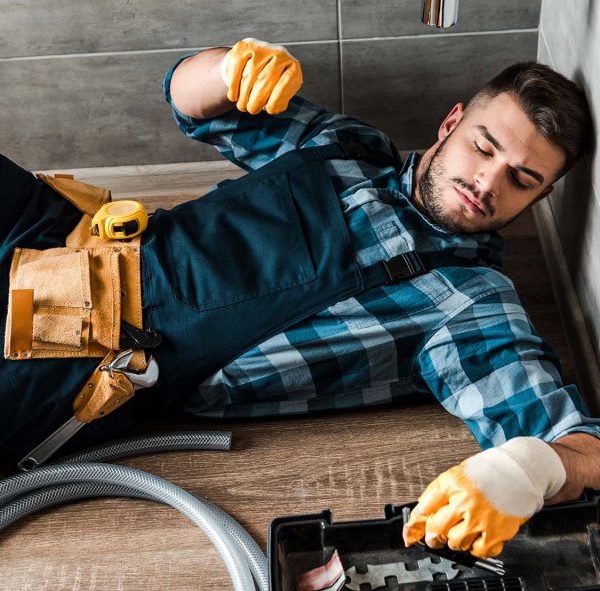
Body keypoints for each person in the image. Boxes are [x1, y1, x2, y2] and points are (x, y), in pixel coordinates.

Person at [1, 38, 599, 559]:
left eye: (523, 180)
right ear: (451, 123)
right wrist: (230, 67)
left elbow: (579, 444)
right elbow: (188, 99)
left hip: (83, 352)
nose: (486, 184)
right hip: (63, 231)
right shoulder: (350, 146)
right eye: (484, 147)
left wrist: (535, 468)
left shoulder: (469, 304)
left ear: (539, 199)